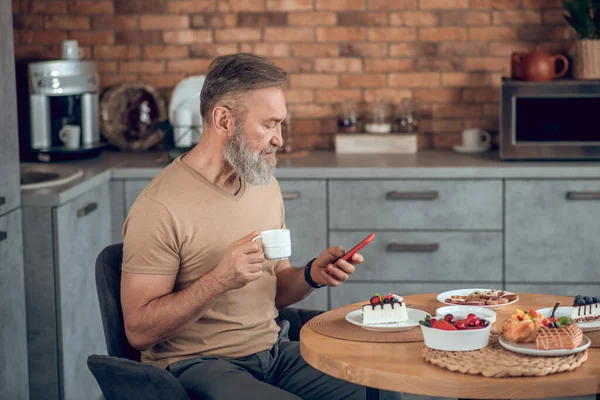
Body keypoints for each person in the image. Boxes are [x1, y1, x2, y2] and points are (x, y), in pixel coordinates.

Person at [120, 53, 366, 399]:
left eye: (280, 124)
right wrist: (219, 280)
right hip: (198, 364)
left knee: (375, 386)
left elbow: (275, 290)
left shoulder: (263, 182)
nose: (279, 138)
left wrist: (312, 274)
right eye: (269, 124)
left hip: (273, 353)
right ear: (224, 120)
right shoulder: (159, 207)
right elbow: (139, 331)